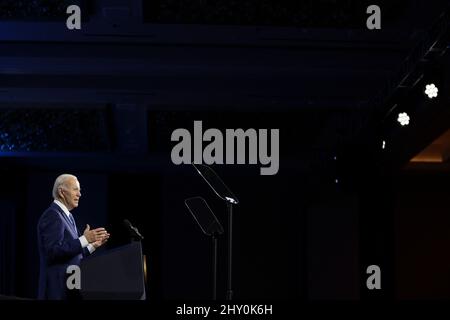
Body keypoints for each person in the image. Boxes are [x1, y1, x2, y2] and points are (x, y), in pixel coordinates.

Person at [37, 174, 110, 300]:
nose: (79, 194)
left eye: (79, 191)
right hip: (56, 293)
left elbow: (70, 255)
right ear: (61, 192)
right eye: (75, 189)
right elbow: (53, 251)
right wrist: (84, 239)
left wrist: (91, 246)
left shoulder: (68, 217)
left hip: (69, 290)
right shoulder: (53, 215)